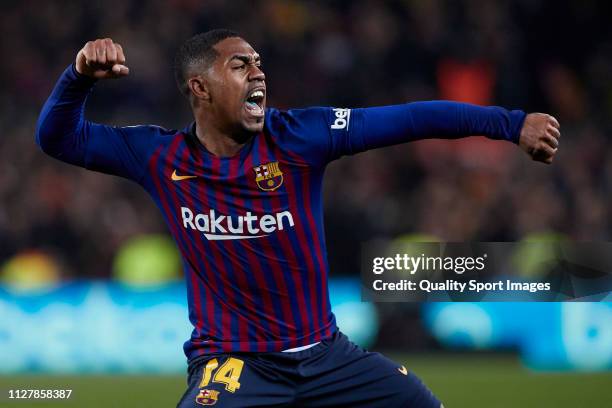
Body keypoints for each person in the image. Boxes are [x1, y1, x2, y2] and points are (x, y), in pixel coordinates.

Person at [36, 29, 560, 407]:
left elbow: (411, 118)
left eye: (259, 63)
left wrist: (510, 124)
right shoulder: (158, 156)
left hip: (329, 358)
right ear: (199, 88)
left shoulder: (299, 136)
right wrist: (78, 76)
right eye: (240, 65)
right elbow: (58, 138)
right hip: (235, 363)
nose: (258, 72)